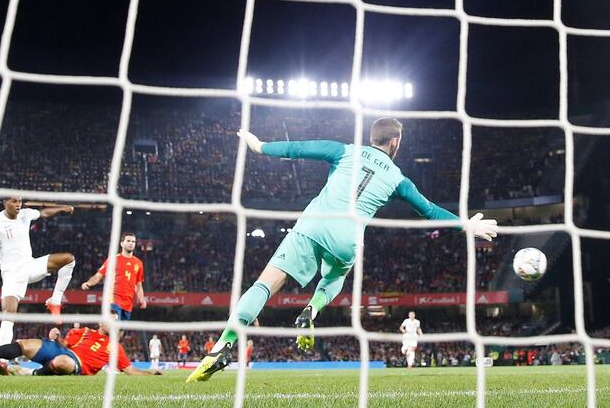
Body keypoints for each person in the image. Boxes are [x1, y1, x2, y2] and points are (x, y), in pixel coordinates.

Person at [187, 119, 498, 382]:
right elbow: (429, 211)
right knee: (335, 276)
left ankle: (224, 343)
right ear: (395, 142)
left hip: (313, 224)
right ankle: (313, 308)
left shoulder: (344, 151)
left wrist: (258, 146)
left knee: (264, 285)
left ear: (371, 138)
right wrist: (466, 225)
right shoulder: (398, 178)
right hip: (347, 238)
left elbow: (298, 148)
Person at [0, 197, 76, 348]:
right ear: (5, 202)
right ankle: (2, 359)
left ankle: (55, 300)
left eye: (20, 201)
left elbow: (43, 213)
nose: (18, 204)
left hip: (31, 266)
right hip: (12, 275)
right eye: (14, 202)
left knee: (69, 259)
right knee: (9, 314)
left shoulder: (25, 214)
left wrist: (61, 208)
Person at [0, 315, 162, 377]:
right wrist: (58, 335)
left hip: (77, 365)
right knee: (24, 344)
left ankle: (28, 373)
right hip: (63, 350)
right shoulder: (85, 331)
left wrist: (151, 373)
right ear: (101, 323)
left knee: (61, 362)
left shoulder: (115, 347)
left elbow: (129, 370)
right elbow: (66, 344)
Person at [81, 232, 146, 320]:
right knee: (113, 327)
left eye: (133, 241)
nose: (131, 243)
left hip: (128, 303)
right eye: (128, 241)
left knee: (120, 333)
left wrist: (142, 300)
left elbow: (138, 285)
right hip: (113, 300)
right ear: (122, 243)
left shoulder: (139, 263)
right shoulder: (114, 259)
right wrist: (88, 283)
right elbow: (99, 275)